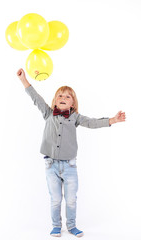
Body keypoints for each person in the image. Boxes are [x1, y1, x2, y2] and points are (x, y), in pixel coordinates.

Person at [17, 68, 126, 237]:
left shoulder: (75, 117)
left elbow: (92, 123)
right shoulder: (48, 113)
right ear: (54, 101)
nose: (63, 98)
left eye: (68, 96)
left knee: (71, 200)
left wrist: (112, 120)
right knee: (55, 199)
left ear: (73, 104)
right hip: (50, 165)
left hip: (70, 166)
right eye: (60, 95)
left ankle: (72, 226)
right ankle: (56, 226)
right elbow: (35, 98)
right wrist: (24, 80)